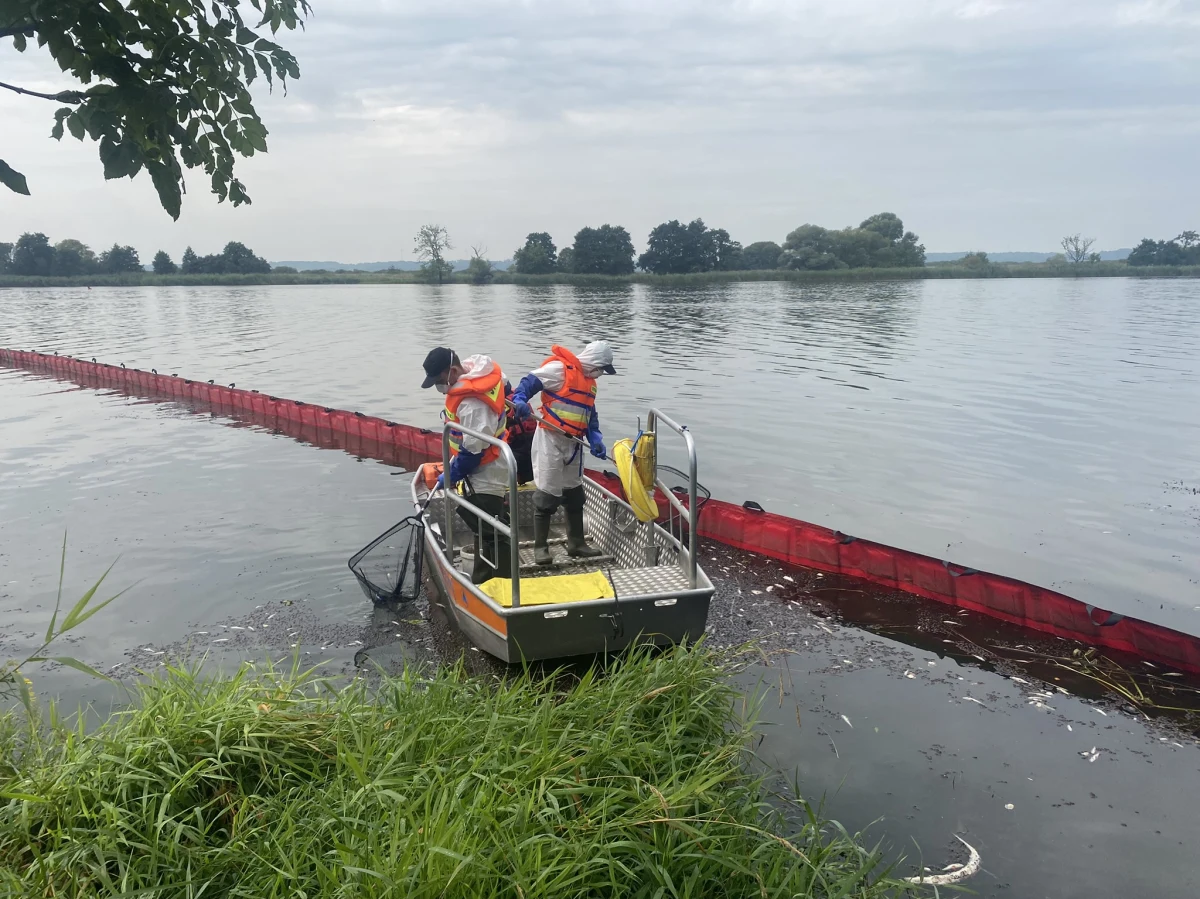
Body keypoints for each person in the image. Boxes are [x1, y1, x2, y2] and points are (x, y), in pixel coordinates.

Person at [510, 341, 616, 565]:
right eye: (601, 368)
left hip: (574, 443)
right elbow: (530, 382)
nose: (600, 373)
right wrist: (520, 399)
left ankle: (576, 543)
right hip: (551, 438)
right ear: (595, 362)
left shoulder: (590, 384)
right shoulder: (559, 370)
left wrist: (595, 436)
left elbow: (589, 412)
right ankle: (540, 547)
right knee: (547, 494)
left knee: (574, 494)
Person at [421, 347, 512, 584]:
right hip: (480, 462)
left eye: (439, 380)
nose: (438, 386)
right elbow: (506, 385)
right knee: (483, 528)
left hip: (487, 470)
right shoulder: (476, 369)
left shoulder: (472, 404)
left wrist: (450, 475)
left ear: (452, 371)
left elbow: (473, 452)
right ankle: (483, 579)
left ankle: (504, 584)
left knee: (493, 531)